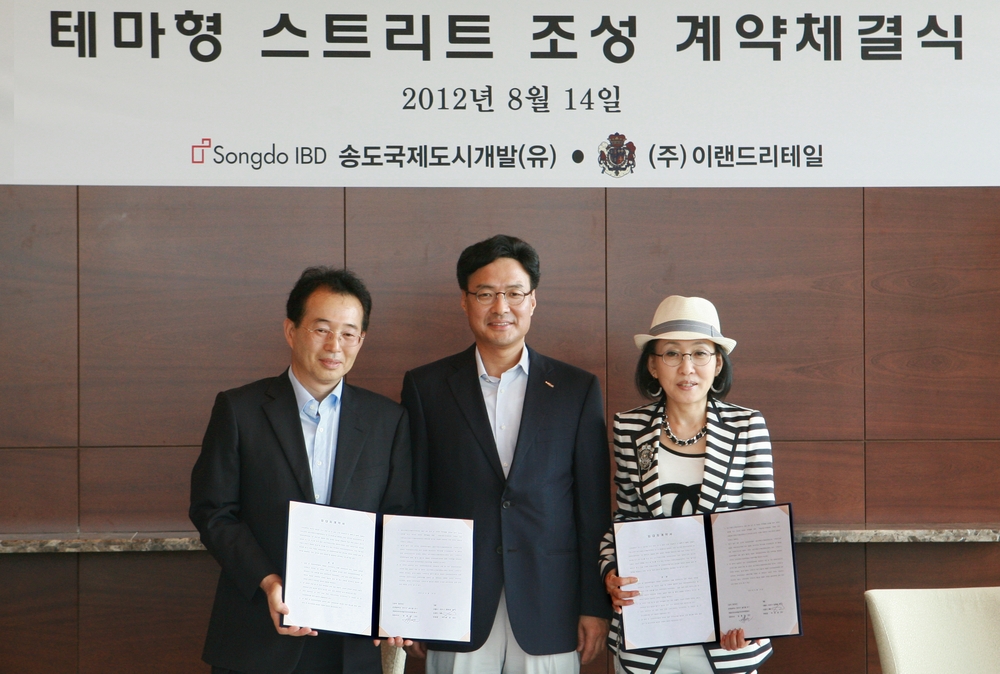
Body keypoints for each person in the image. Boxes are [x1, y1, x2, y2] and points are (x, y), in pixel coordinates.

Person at [400, 234, 612, 674]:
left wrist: (593, 606)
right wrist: (408, 604)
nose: (501, 307)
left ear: (532, 300)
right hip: (453, 603)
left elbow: (592, 508)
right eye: (486, 294)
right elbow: (412, 500)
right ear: (465, 301)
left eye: (514, 293)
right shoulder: (426, 387)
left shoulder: (576, 389)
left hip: (550, 603)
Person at [190, 267, 413, 674]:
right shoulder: (239, 410)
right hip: (257, 633)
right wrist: (267, 580)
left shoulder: (388, 420)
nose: (334, 345)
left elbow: (399, 519)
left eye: (348, 333)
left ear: (361, 340)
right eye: (321, 329)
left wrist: (398, 603)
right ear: (291, 331)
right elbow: (213, 511)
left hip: (351, 644)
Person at [600, 296, 775, 674]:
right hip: (648, 631)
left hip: (726, 635)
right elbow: (625, 518)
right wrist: (610, 572)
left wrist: (753, 616)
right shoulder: (628, 427)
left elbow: (760, 531)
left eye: (699, 353)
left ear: (717, 363)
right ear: (652, 364)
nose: (687, 367)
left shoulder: (747, 426)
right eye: (671, 354)